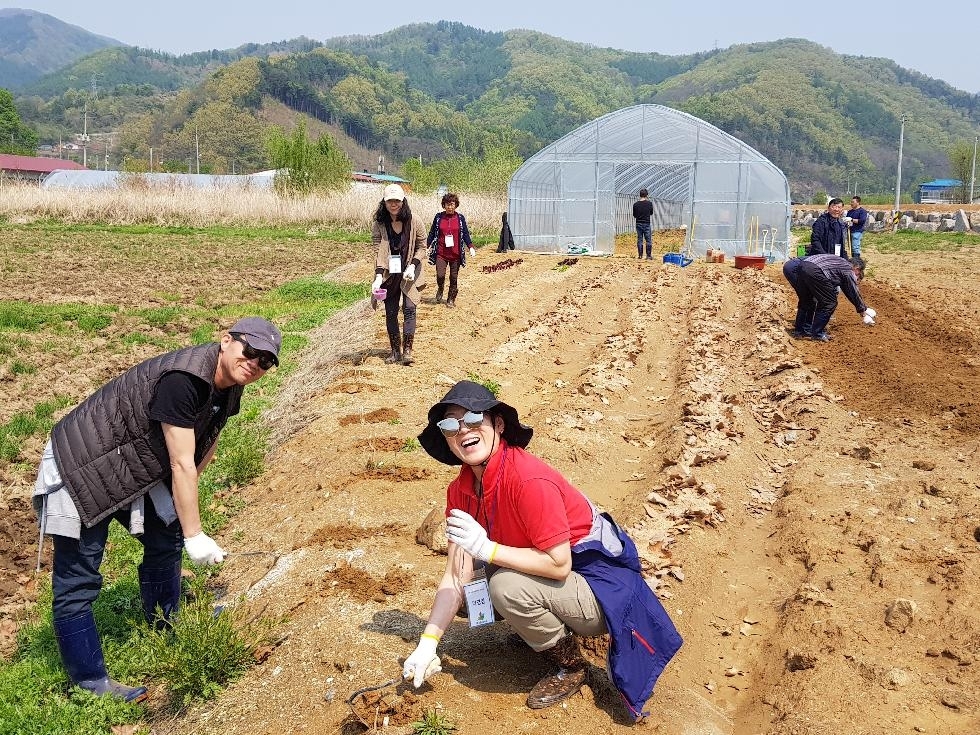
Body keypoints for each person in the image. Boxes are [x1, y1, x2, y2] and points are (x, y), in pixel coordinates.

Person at [32, 317, 281, 703]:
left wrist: (186, 518)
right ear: (226, 341)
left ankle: (165, 622)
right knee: (78, 578)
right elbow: (181, 465)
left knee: (167, 535)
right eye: (250, 351)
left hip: (130, 461)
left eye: (265, 362)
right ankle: (89, 682)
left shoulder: (230, 386)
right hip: (81, 464)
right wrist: (196, 534)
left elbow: (201, 449)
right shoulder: (184, 379)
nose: (255, 364)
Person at [405, 381, 682, 719]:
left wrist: (488, 549)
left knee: (504, 585)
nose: (464, 430)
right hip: (560, 581)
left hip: (600, 587)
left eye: (475, 418)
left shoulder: (528, 481)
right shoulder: (461, 490)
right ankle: (536, 626)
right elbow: (454, 574)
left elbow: (558, 565)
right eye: (451, 423)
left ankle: (571, 665)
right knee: (469, 588)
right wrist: (428, 644)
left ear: (499, 425)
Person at [371, 184, 427, 365]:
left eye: (397, 200)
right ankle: (395, 351)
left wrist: (412, 266)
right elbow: (377, 249)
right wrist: (379, 276)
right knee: (391, 312)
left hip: (410, 272)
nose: (393, 204)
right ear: (384, 203)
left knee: (410, 308)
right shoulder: (380, 224)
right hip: (389, 273)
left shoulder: (415, 221)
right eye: (390, 201)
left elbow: (422, 247)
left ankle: (408, 351)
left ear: (403, 201)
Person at [794, 254, 876, 341]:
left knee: (807, 300)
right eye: (858, 273)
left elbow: (847, 290)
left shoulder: (840, 264)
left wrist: (861, 308)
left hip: (802, 265)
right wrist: (862, 310)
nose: (857, 276)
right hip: (815, 269)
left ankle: (799, 330)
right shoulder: (848, 269)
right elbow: (853, 291)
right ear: (857, 268)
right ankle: (817, 333)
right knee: (829, 302)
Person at [426, 192, 475, 308]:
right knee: (440, 275)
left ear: (456, 205)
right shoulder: (438, 217)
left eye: (452, 204)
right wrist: (427, 246)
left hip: (455, 254)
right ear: (444, 205)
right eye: (447, 204)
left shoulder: (460, 218)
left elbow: (466, 234)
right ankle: (440, 287)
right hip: (441, 253)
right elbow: (432, 233)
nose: (450, 207)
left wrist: (471, 246)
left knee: (453, 278)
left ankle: (451, 298)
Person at [782, 255, 813, 338]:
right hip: (793, 268)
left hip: (794, 266)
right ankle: (800, 330)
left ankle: (805, 328)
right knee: (806, 299)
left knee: (808, 299)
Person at [632, 188, 654, 260]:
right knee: (648, 240)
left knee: (640, 239)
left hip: (638, 223)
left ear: (640, 195)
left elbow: (634, 215)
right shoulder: (649, 204)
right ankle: (648, 256)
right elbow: (651, 213)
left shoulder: (635, 204)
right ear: (646, 195)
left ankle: (640, 255)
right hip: (647, 224)